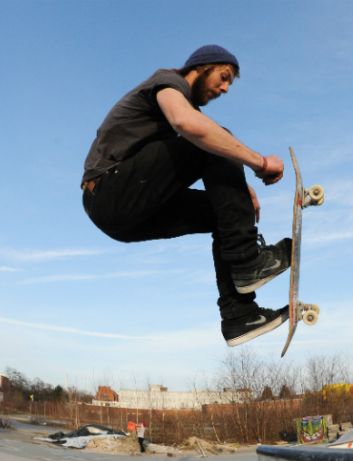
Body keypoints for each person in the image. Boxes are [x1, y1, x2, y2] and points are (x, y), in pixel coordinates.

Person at [81, 45, 291, 347]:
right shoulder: (168, 82)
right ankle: (248, 262)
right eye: (223, 77)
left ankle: (238, 314)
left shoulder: (181, 108)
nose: (225, 88)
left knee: (222, 211)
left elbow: (195, 142)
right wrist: (258, 162)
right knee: (216, 136)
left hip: (127, 214)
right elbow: (188, 125)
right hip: (109, 191)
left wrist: (241, 195)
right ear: (202, 66)